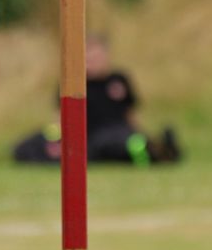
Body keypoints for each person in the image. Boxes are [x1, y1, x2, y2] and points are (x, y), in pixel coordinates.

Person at [13, 36, 182, 165]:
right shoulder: (73, 82)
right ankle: (155, 151)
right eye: (88, 58)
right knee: (28, 145)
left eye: (96, 57)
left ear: (106, 57)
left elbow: (131, 113)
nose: (92, 62)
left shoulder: (118, 79)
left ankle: (158, 151)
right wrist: (58, 139)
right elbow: (60, 117)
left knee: (130, 142)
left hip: (119, 131)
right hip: (90, 136)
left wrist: (139, 131)